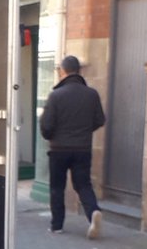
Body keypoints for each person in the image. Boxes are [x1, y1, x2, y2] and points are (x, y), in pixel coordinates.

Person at [40, 55, 106, 239]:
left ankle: (57, 225)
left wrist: (51, 136)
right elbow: (100, 120)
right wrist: (84, 132)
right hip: (82, 148)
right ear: (79, 71)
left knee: (57, 187)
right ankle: (93, 212)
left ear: (63, 71)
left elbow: (46, 125)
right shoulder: (92, 94)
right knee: (83, 184)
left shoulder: (56, 95)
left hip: (59, 149)